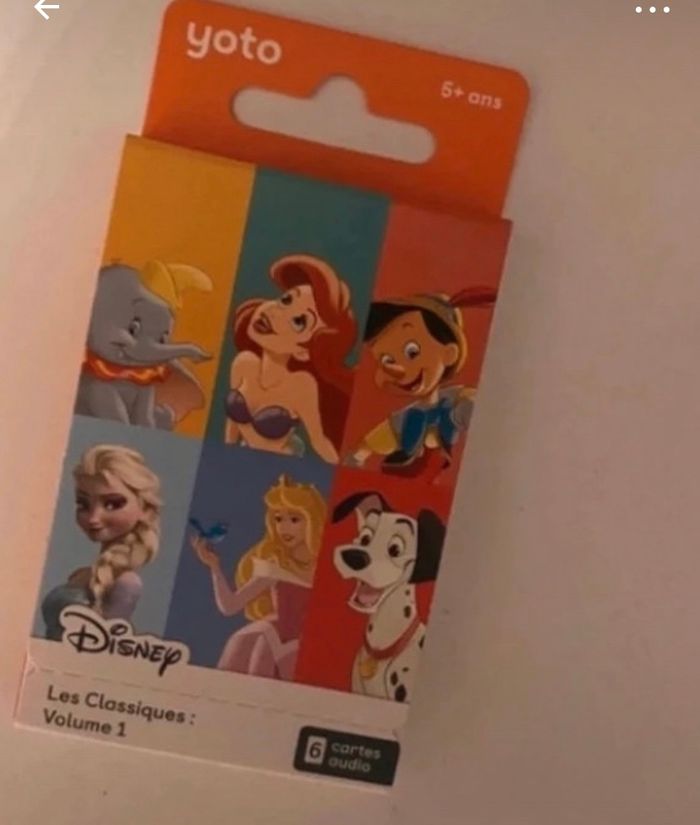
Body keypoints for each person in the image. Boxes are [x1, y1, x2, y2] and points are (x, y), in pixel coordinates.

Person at [347, 288, 497, 482]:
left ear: (449, 353)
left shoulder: (457, 401)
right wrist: (356, 462)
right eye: (387, 359)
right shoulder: (407, 418)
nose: (399, 368)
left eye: (412, 352)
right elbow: (367, 446)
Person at [191, 475, 326, 680]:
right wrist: (214, 567)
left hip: (309, 645)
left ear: (312, 521)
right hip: (273, 639)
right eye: (278, 519)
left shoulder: (330, 566)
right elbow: (230, 606)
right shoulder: (274, 566)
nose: (284, 528)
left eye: (294, 519)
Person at [225, 254, 357, 463]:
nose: (275, 313)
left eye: (298, 321)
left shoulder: (302, 385)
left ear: (303, 352)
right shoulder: (243, 362)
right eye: (286, 300)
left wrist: (345, 471)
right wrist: (226, 453)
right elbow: (232, 423)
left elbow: (319, 441)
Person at [41, 445, 161, 640]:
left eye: (113, 504)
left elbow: (105, 646)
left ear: (145, 509)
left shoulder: (126, 583)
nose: (93, 518)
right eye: (83, 504)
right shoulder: (80, 574)